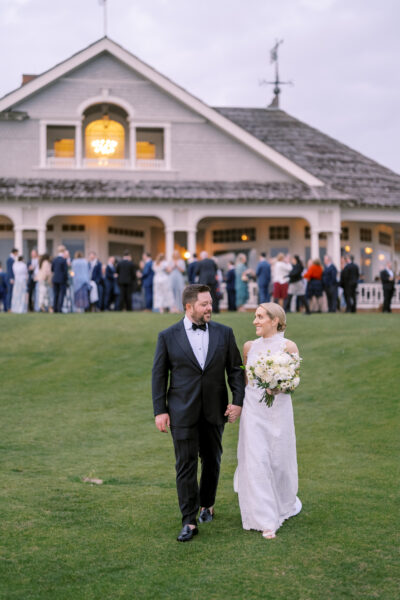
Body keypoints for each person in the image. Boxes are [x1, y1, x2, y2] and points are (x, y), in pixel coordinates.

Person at [152, 284, 245, 542]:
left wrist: (238, 401)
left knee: (212, 460)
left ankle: (207, 504)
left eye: (210, 303)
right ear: (189, 306)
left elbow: (236, 370)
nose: (210, 308)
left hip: (215, 410)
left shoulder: (224, 334)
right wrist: (160, 410)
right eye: (204, 304)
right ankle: (189, 521)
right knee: (185, 465)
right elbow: (159, 376)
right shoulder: (167, 336)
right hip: (181, 412)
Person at [234, 303, 302, 540]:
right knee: (256, 460)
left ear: (275, 320)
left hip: (280, 411)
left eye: (260, 317)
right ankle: (265, 520)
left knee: (280, 461)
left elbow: (294, 381)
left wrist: (278, 386)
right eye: (255, 316)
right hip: (254, 411)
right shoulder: (249, 347)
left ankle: (284, 503)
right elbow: (245, 381)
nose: (255, 321)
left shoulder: (288, 346)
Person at [52, 245, 68, 313]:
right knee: (61, 294)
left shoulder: (54, 260)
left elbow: (52, 269)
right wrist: (66, 279)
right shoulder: (63, 260)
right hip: (62, 280)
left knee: (56, 294)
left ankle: (55, 308)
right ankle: (59, 309)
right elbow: (65, 271)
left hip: (55, 279)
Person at [5, 248, 19, 312]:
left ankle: (9, 307)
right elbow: (10, 270)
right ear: (15, 252)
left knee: (10, 293)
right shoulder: (11, 260)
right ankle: (9, 308)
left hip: (10, 278)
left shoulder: (11, 259)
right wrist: (11, 278)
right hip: (10, 278)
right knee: (9, 293)